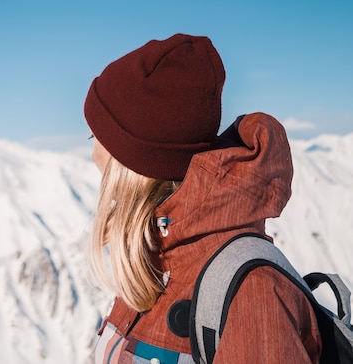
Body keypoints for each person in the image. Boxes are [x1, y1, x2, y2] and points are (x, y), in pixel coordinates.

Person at [84, 33, 321, 363]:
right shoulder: (153, 256)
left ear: (130, 162)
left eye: (96, 133)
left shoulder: (251, 294)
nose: (91, 147)